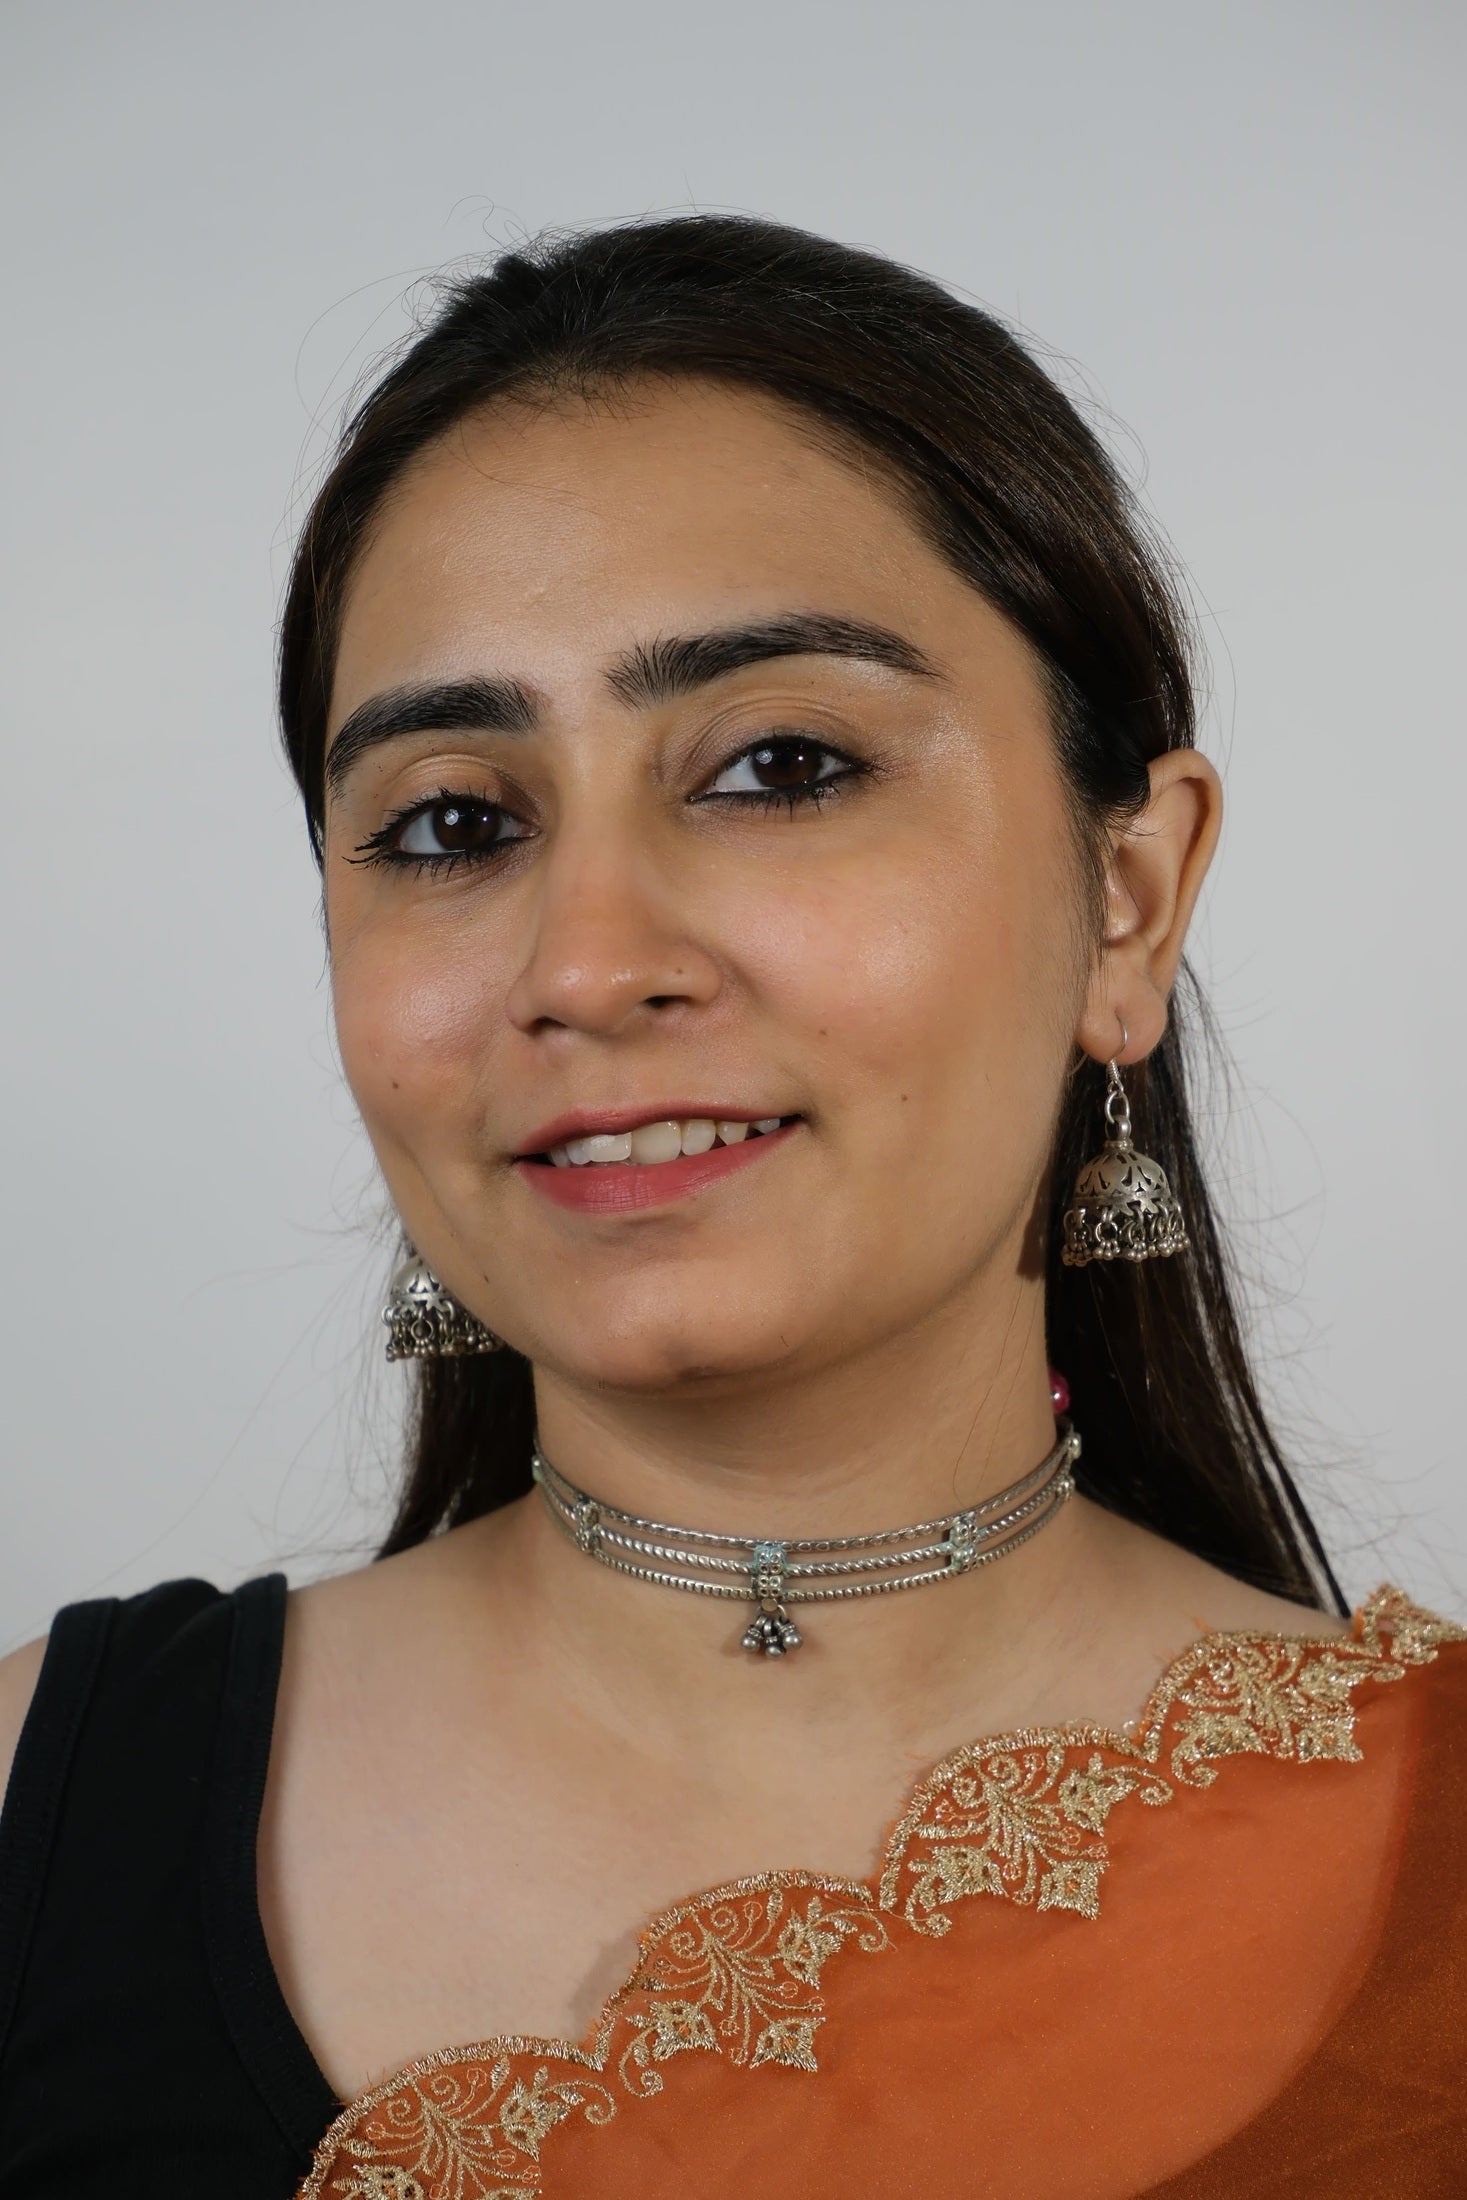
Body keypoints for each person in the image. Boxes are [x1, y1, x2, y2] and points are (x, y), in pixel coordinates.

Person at [1, 215, 1463, 2200]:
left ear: (1127, 895)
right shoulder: (34, 1809)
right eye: (451, 820)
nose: (587, 959)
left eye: (778, 763)